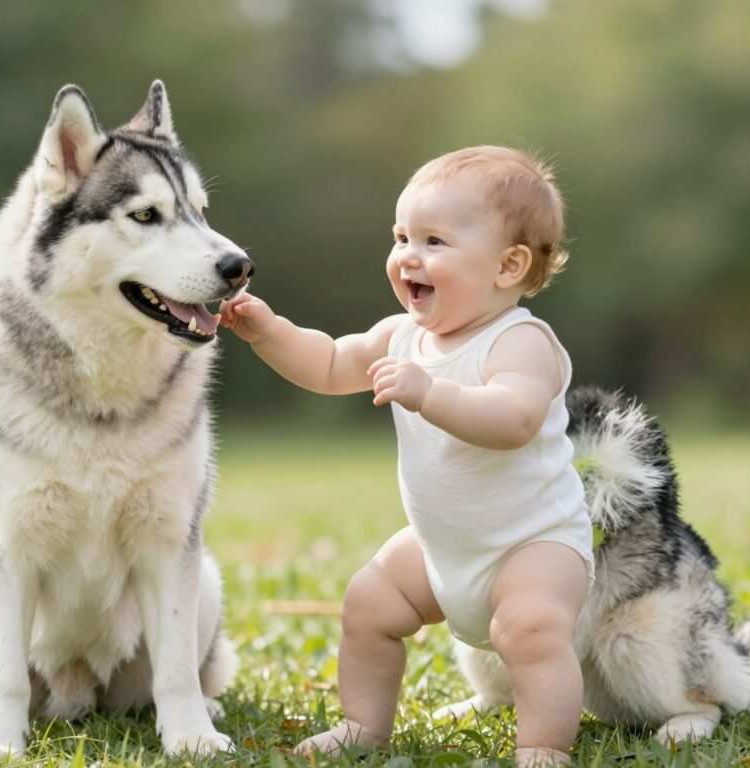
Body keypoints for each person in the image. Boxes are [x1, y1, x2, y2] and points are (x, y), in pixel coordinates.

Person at [220, 146, 593, 767]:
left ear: (508, 265)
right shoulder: (401, 335)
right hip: (442, 543)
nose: (407, 256)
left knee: (529, 630)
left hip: (533, 542)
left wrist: (430, 392)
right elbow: (332, 363)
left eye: (435, 241)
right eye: (401, 236)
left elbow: (514, 418)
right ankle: (364, 726)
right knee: (370, 603)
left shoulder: (522, 341)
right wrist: (271, 332)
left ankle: (544, 746)